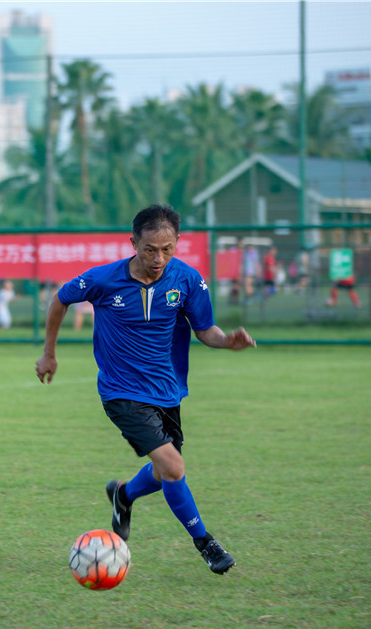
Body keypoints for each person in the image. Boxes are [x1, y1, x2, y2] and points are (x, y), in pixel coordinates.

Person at [35, 204, 256, 575]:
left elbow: (206, 330)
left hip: (167, 391)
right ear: (133, 242)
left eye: (168, 249)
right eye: (150, 249)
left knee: (163, 471)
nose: (159, 258)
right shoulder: (105, 280)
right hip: (121, 392)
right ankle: (206, 544)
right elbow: (60, 299)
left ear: (177, 243)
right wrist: (49, 354)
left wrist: (225, 342)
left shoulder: (187, 279)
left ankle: (123, 495)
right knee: (173, 465)